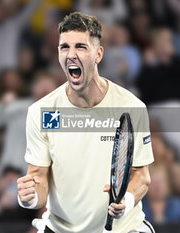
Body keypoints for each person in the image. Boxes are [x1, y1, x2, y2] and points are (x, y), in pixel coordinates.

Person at [17, 12, 154, 233]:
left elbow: (142, 176)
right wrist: (30, 198)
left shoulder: (131, 107)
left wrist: (126, 202)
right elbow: (38, 178)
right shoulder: (41, 112)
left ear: (98, 54)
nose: (71, 55)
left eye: (80, 47)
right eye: (64, 47)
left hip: (124, 229)